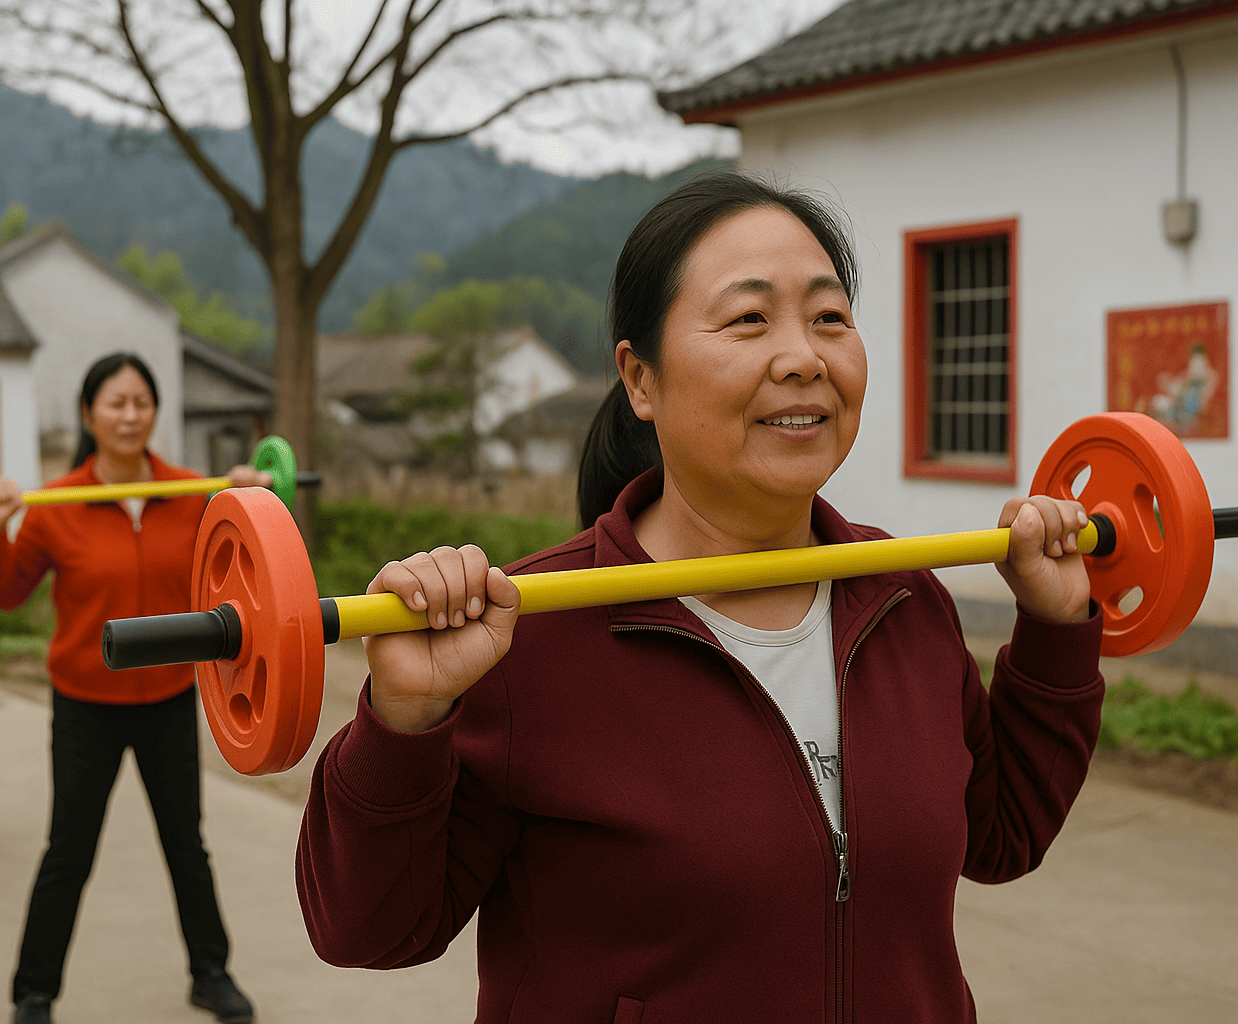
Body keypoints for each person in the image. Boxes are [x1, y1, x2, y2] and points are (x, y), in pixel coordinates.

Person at [296, 171, 1107, 1022]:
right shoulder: (525, 631)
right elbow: (368, 929)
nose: (804, 357)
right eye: (749, 319)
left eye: (829, 317)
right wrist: (406, 719)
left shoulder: (904, 596)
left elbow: (1002, 835)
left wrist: (1055, 630)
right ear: (640, 380)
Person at [0, 353, 261, 1024]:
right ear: (87, 414)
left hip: (167, 700)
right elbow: (8, 593)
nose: (130, 416)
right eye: (116, 403)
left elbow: (247, 568)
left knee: (186, 844)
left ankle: (211, 973)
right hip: (84, 705)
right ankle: (34, 991)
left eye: (141, 402)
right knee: (68, 850)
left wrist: (251, 498)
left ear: (155, 413)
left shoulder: (197, 494)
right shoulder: (53, 506)